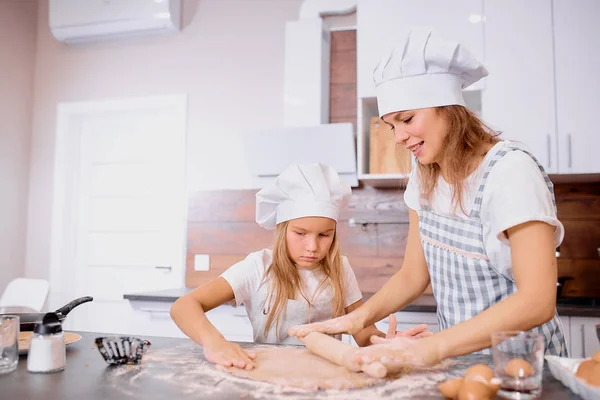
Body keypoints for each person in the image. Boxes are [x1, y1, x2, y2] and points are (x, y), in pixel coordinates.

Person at [288, 27, 568, 371]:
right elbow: (412, 275)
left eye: (407, 119)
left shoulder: (511, 172)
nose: (400, 137)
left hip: (524, 368)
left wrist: (431, 348)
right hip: (458, 364)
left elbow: (537, 301)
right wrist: (358, 318)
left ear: (449, 109)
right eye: (391, 125)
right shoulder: (425, 173)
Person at [171, 163, 430, 371]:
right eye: (301, 233)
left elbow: (362, 331)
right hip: (269, 375)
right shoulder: (258, 267)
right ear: (282, 229)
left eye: (324, 235)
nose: (312, 247)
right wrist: (214, 342)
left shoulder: (340, 268)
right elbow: (184, 306)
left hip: (330, 377)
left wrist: (384, 342)